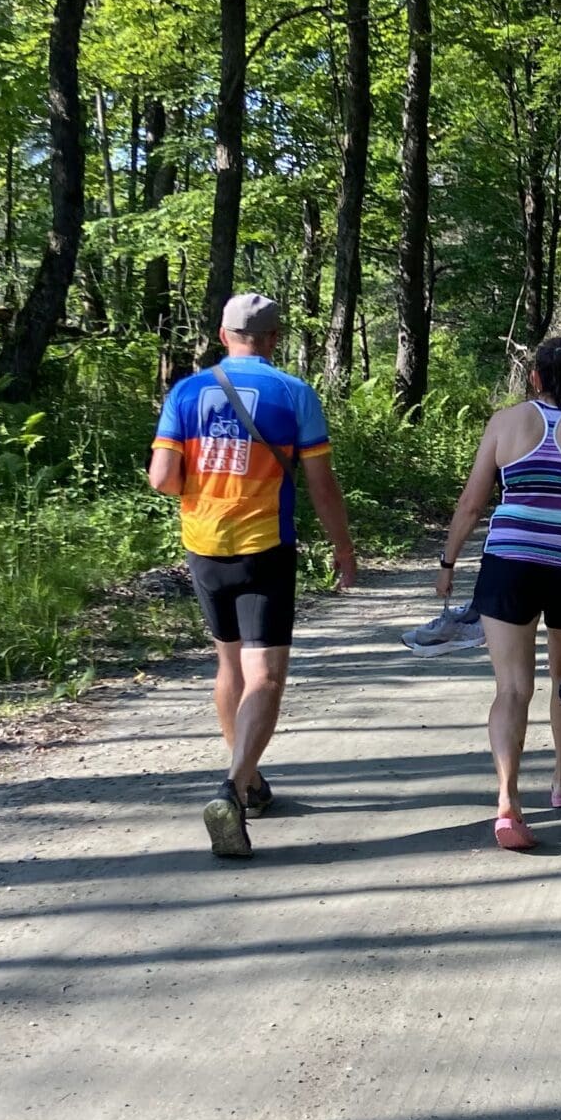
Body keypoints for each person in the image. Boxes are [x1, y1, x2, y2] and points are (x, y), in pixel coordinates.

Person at [149, 292, 358, 859]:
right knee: (264, 675)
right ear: (273, 339)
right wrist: (343, 548)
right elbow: (320, 484)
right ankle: (234, 787)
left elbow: (162, 478)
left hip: (203, 545)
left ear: (223, 335)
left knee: (229, 665)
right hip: (265, 545)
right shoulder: (293, 393)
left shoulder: (186, 392)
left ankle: (251, 783)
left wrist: (205, 486)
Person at [435, 336, 561, 851]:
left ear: (535, 378)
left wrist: (448, 561)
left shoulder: (504, 423)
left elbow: (472, 502)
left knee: (511, 689)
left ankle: (507, 801)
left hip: (509, 565)